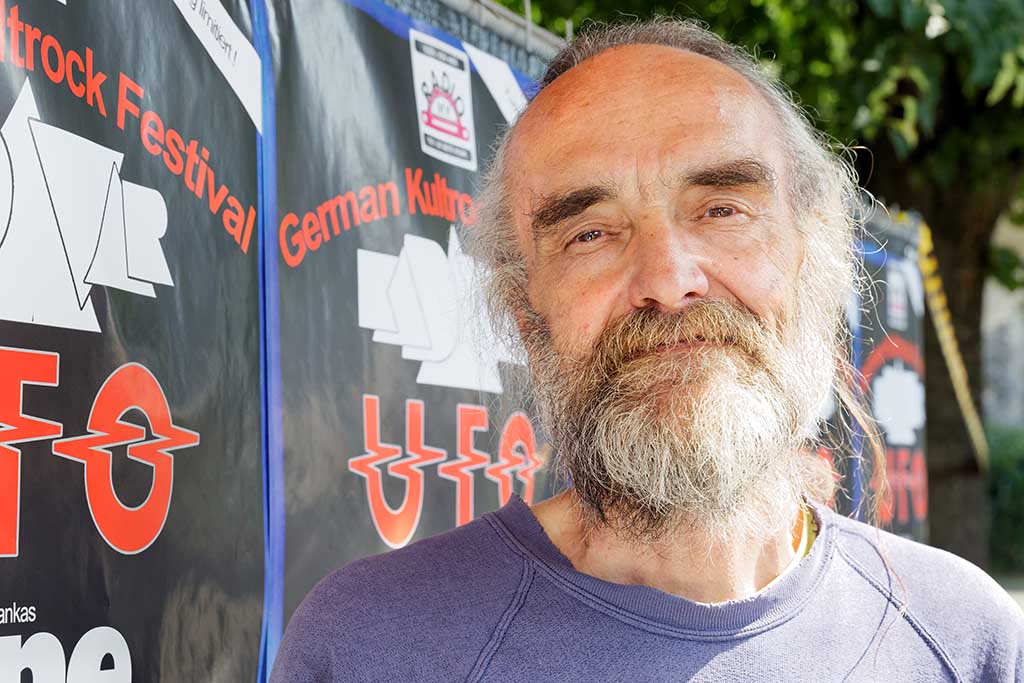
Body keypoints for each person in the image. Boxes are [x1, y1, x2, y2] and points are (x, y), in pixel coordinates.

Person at [271, 19, 1024, 682]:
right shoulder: (372, 646)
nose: (668, 280)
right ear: (526, 312)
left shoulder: (967, 640)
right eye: (591, 234)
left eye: (721, 208)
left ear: (811, 259)